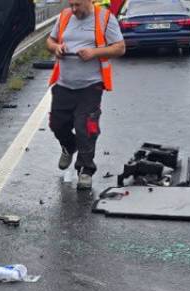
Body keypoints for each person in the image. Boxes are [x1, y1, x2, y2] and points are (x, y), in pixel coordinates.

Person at [46, 0, 125, 190]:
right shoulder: (65, 15)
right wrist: (56, 48)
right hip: (64, 84)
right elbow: (50, 40)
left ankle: (86, 170)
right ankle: (69, 146)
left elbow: (120, 48)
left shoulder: (105, 18)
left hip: (90, 86)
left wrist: (94, 52)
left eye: (78, 5)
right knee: (57, 124)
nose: (74, 10)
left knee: (85, 128)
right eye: (71, 4)